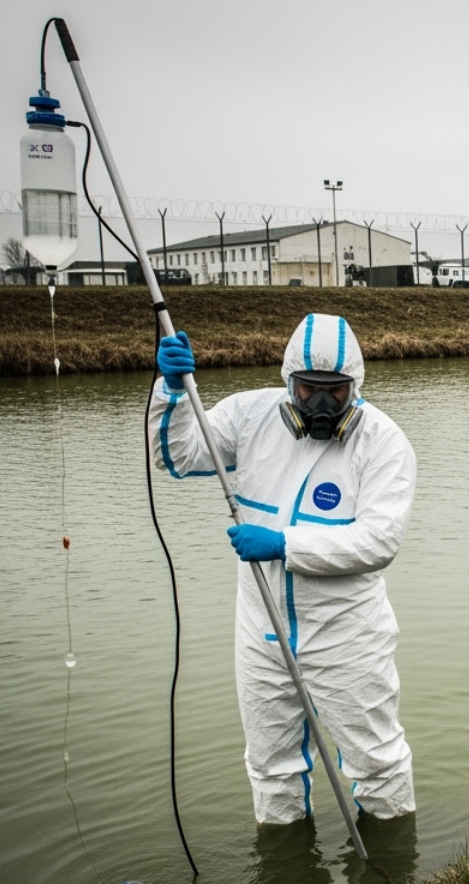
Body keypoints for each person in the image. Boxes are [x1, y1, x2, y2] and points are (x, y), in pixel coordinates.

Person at [149, 313, 418, 825]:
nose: (319, 404)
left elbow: (378, 541)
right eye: (307, 389)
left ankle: (395, 883)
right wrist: (173, 393)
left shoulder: (382, 442)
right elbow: (177, 456)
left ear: (354, 387)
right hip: (261, 631)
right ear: (287, 382)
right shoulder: (249, 417)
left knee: (376, 764)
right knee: (270, 768)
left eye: (334, 392)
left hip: (345, 635)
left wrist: (282, 543)